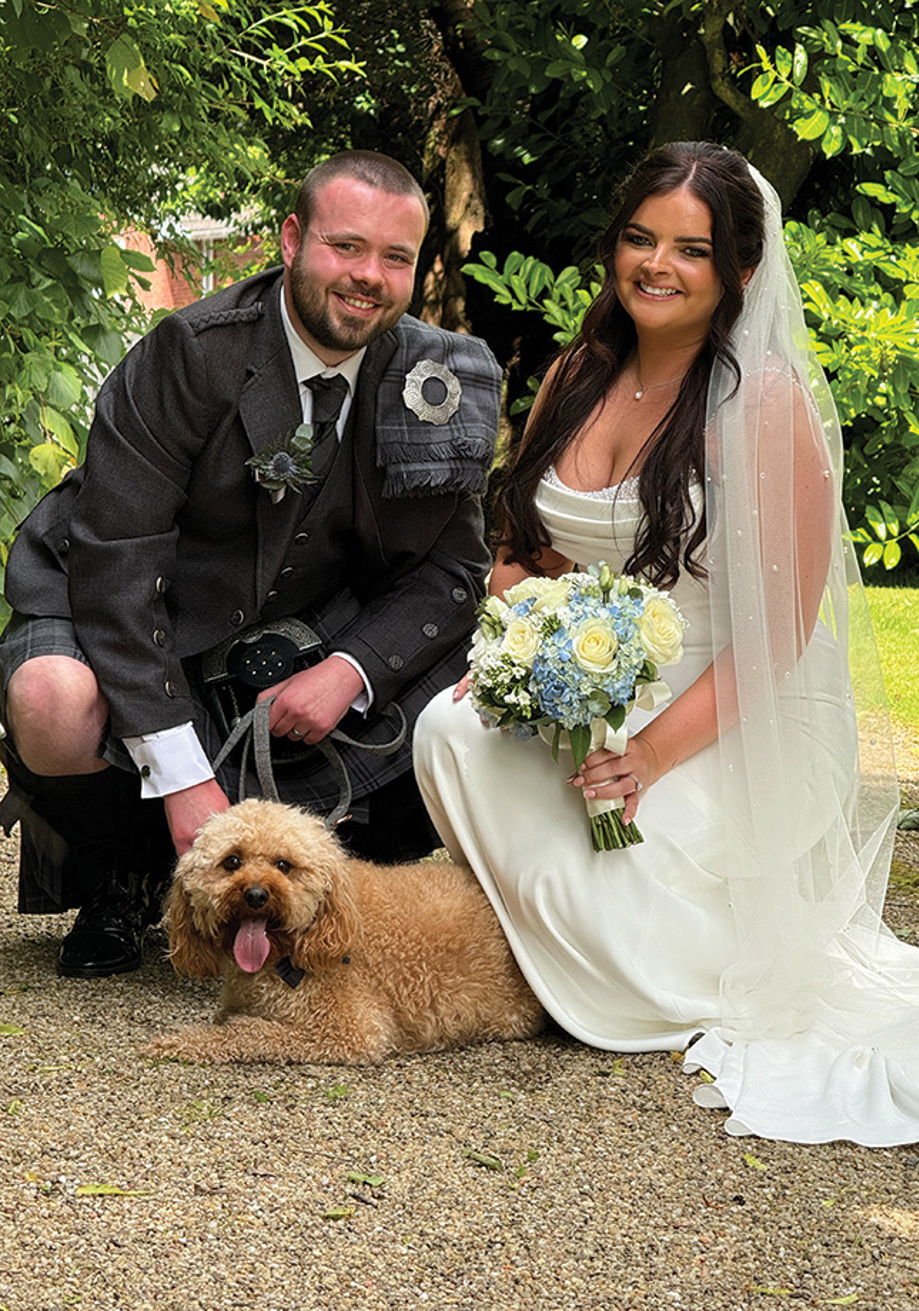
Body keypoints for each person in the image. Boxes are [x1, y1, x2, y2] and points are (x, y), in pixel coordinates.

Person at [414, 141, 919, 1146]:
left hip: (731, 704)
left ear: (736, 272)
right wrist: (520, 650)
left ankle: (648, 965)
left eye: (689, 249)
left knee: (628, 864)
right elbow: (523, 552)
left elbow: (780, 635)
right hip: (589, 667)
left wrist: (644, 753)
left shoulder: (764, 404)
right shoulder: (574, 373)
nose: (656, 264)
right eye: (640, 238)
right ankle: (571, 934)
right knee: (447, 730)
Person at [0, 150, 502, 978]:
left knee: (464, 691)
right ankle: (122, 873)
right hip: (116, 598)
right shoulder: (190, 354)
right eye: (345, 247)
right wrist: (183, 772)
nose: (366, 277)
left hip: (302, 634)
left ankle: (326, 899)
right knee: (52, 701)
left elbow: (451, 573)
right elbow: (117, 564)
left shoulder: (439, 376)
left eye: (394, 258)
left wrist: (351, 666)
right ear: (292, 239)